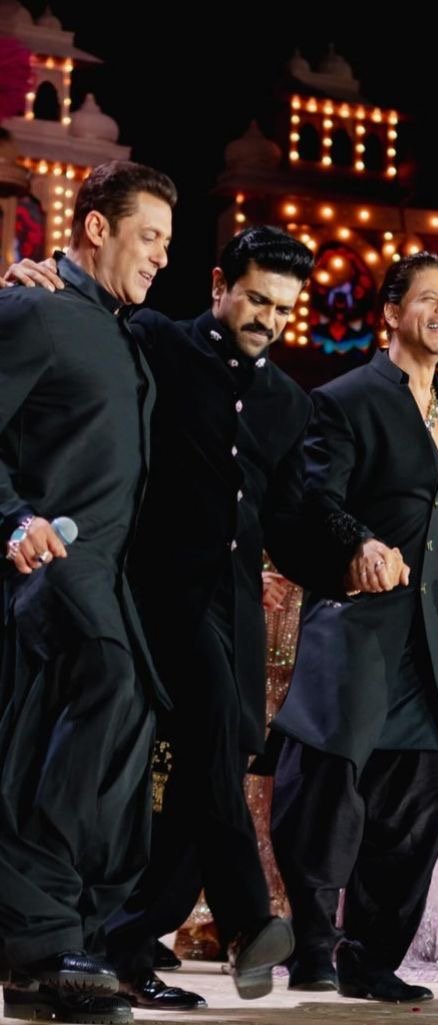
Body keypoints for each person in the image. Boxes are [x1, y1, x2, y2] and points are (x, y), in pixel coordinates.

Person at [5, 227, 317, 1006]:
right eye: (256, 298)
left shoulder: (288, 402)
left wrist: (350, 547)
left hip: (235, 614)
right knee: (205, 742)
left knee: (206, 779)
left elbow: (289, 517)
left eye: (283, 308)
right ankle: (248, 917)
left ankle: (128, 946)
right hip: (153, 598)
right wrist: (33, 275)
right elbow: (82, 322)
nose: (269, 318)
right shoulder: (155, 340)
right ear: (218, 284)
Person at [0, 160, 175, 1025]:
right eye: (150, 236)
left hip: (110, 574)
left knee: (123, 728)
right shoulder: (33, 309)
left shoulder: (119, 328)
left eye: (169, 243)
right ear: (97, 227)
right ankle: (44, 937)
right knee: (106, 689)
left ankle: (61, 942)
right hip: (50, 566)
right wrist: (12, 515)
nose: (162, 257)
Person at [270, 252, 438, 1003]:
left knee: (417, 803)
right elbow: (317, 496)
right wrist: (360, 542)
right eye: (429, 298)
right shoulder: (345, 398)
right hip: (354, 623)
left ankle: (370, 956)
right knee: (326, 790)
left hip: (419, 637)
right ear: (389, 312)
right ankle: (314, 945)